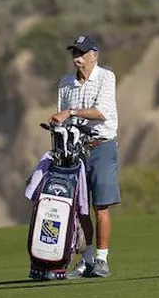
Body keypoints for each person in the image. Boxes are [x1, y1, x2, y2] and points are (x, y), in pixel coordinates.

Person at [48, 35, 120, 278]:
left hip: (102, 147)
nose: (77, 58)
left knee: (100, 205)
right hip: (74, 150)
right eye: (74, 54)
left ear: (94, 55)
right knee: (79, 209)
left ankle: (102, 259)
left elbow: (102, 113)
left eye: (81, 53)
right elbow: (61, 117)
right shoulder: (65, 83)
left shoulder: (105, 77)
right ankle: (87, 260)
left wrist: (70, 112)